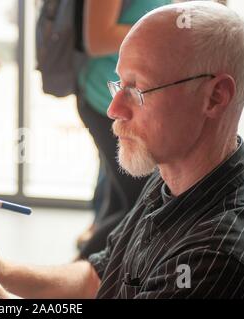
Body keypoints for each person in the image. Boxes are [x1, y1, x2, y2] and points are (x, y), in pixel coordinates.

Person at [0, 1, 244, 298]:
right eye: (118, 84)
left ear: (215, 97)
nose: (114, 110)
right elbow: (98, 278)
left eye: (138, 90)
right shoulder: (174, 174)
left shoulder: (218, 254)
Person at [75, 0, 171, 258]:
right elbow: (97, 39)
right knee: (137, 204)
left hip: (144, 105)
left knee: (122, 201)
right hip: (107, 99)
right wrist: (171, 30)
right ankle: (80, 277)